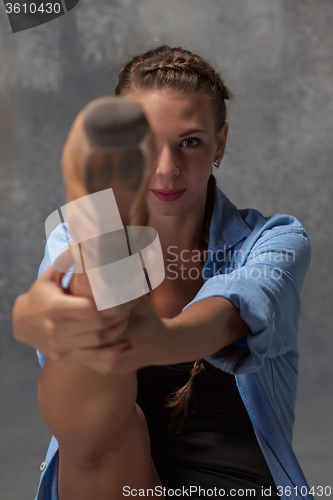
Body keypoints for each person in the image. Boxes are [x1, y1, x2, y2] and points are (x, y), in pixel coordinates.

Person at [12, 46, 313, 500]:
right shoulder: (76, 234)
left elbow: (230, 312)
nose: (166, 169)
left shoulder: (275, 241)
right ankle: (97, 296)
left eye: (189, 142)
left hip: (233, 486)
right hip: (110, 479)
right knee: (100, 414)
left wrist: (155, 338)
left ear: (221, 144)